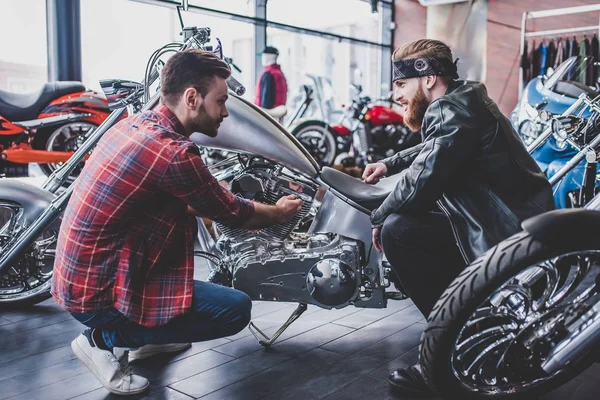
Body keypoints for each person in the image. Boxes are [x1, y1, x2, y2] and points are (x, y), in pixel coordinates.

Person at [51, 49, 302, 396]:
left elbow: (191, 197)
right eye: (221, 101)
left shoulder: (135, 125)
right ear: (191, 98)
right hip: (99, 298)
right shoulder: (173, 153)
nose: (226, 112)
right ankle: (104, 339)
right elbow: (233, 212)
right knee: (235, 310)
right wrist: (280, 211)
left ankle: (145, 338)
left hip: (78, 281)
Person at [362, 39, 555, 397]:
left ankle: (458, 349)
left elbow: (422, 181)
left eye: (402, 85)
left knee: (398, 230)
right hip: (513, 224)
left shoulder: (453, 110)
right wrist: (391, 163)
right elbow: (435, 145)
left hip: (506, 234)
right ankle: (475, 338)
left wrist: (377, 215)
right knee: (405, 225)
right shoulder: (464, 100)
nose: (397, 95)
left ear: (429, 78)